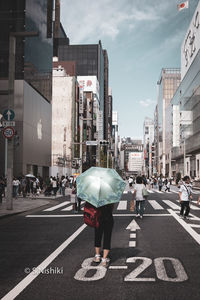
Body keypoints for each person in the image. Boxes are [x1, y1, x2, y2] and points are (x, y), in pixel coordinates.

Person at [93, 203, 114, 268]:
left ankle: (97, 256)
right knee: (107, 238)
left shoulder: (97, 199)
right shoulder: (110, 197)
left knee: (97, 236)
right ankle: (104, 260)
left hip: (98, 219)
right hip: (109, 218)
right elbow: (112, 208)